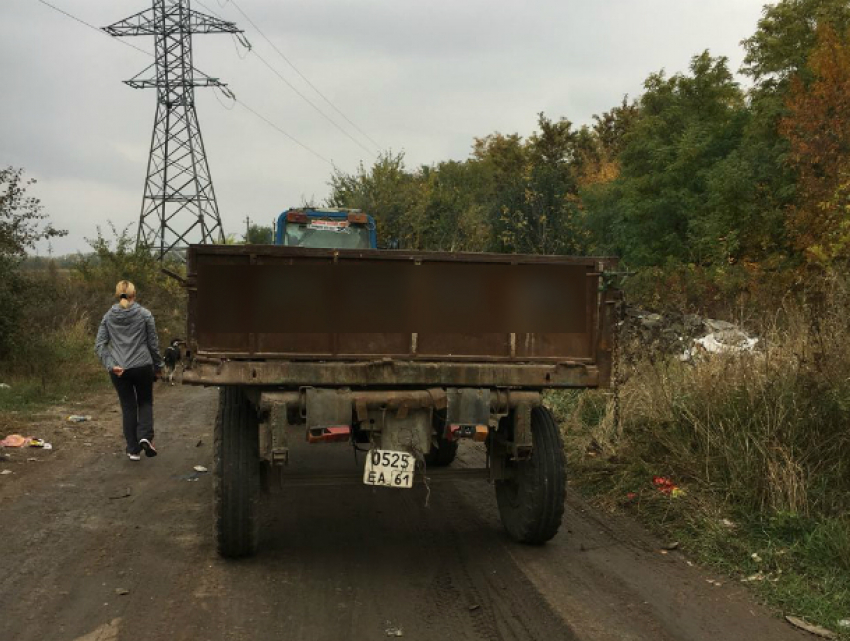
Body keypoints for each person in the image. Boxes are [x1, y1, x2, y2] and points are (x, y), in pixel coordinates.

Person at [94, 280, 165, 461]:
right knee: (145, 402)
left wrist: (111, 364)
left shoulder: (108, 317)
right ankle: (145, 436)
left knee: (128, 407)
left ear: (118, 296)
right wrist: (159, 367)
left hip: (119, 369)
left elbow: (100, 345)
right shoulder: (145, 315)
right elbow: (153, 344)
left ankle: (133, 449)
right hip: (142, 366)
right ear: (135, 295)